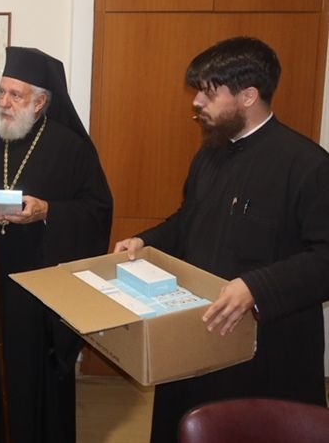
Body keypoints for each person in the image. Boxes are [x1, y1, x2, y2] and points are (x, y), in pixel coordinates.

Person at [115, 36, 329, 442]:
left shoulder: (308, 165)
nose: (197, 102)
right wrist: (145, 242)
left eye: (209, 93)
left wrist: (256, 287)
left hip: (266, 349)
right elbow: (189, 220)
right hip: (198, 334)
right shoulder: (210, 154)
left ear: (248, 95)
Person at [0, 46, 113, 443]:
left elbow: (97, 210)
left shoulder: (71, 149)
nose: (4, 102)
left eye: (15, 95)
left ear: (40, 102)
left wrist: (48, 211)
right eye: (2, 92)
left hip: (43, 289)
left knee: (36, 376)